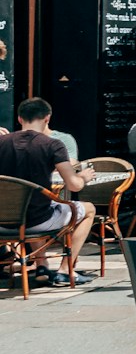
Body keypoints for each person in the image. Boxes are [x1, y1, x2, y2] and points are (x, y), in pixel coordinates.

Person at [0, 98, 98, 285]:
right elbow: (73, 186)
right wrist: (84, 177)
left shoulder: (2, 142)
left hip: (3, 223)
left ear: (20, 119)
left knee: (42, 204)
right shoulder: (53, 144)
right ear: (47, 118)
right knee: (89, 209)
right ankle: (65, 270)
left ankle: (42, 265)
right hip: (38, 220)